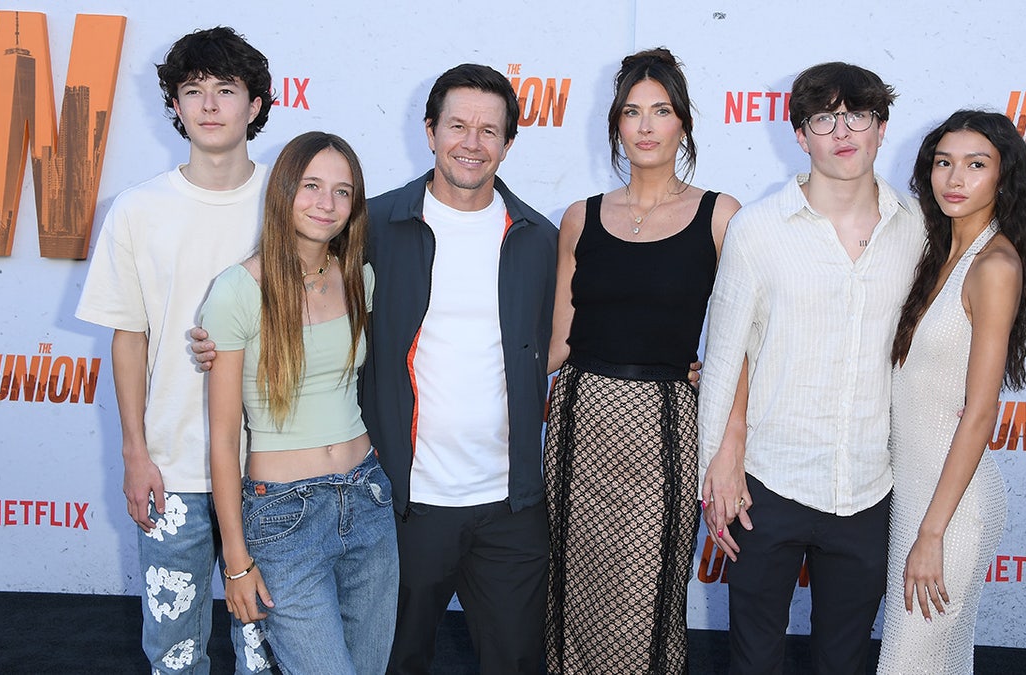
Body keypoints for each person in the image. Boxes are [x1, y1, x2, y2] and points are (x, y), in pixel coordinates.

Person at [697, 62, 924, 674]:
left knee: (845, 660)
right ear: (801, 135)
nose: (842, 131)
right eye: (824, 118)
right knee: (753, 658)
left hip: (870, 484)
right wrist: (717, 465)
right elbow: (725, 354)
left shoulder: (918, 231)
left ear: (881, 129)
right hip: (769, 481)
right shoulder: (758, 230)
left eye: (858, 116)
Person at [74, 26, 275, 674]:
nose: (209, 105)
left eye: (225, 89)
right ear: (175, 106)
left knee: (268, 653)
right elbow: (127, 336)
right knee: (175, 655)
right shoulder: (137, 210)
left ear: (257, 104)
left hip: (272, 474)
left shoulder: (292, 200)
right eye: (193, 91)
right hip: (172, 473)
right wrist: (135, 452)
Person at [543, 47, 740, 674]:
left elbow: (749, 334)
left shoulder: (721, 216)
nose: (647, 125)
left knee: (647, 599)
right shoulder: (581, 217)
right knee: (570, 593)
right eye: (632, 112)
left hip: (664, 428)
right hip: (579, 426)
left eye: (661, 111)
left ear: (683, 123)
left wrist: (722, 391)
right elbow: (556, 343)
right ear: (616, 126)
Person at [362, 64, 556, 675]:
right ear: (430, 131)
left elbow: (584, 330)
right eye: (458, 126)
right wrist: (226, 333)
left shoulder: (539, 239)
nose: (472, 143)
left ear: (507, 143)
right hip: (405, 502)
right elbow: (297, 292)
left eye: (489, 130)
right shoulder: (372, 226)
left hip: (510, 505)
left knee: (517, 662)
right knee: (395, 659)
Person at [199, 132, 398, 673]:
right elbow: (222, 437)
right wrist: (236, 563)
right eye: (311, 186)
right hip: (283, 515)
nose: (326, 204)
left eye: (342, 191)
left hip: (368, 500)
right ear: (284, 190)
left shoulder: (359, 277)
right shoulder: (237, 291)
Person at [877, 110, 1026, 674]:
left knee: (910, 664)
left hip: (952, 510)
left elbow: (979, 413)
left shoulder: (994, 265)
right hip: (917, 497)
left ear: (1004, 177)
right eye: (944, 163)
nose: (955, 178)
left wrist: (932, 532)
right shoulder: (938, 254)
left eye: (976, 165)